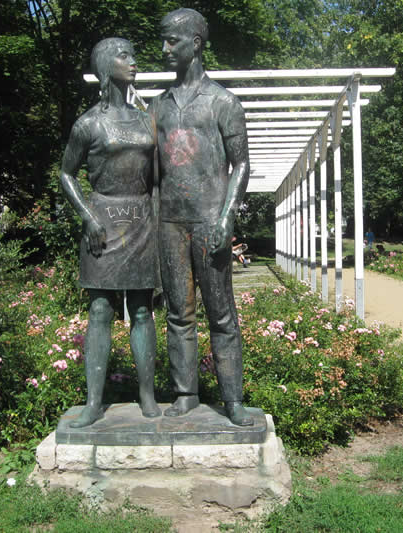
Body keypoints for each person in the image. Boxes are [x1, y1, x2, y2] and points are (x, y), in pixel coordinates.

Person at [150, 8, 253, 426]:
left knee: (222, 313)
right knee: (178, 312)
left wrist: (227, 217)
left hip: (210, 220)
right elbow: (152, 170)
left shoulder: (223, 102)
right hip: (170, 224)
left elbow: (242, 164)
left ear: (195, 43)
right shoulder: (156, 106)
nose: (163, 49)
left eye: (171, 41)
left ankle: (233, 399)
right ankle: (186, 393)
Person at [59, 38, 161, 428]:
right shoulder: (88, 123)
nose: (133, 62)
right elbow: (66, 173)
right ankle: (93, 402)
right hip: (102, 219)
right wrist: (86, 215)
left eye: (134, 54)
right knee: (100, 308)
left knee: (141, 307)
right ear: (105, 65)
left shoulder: (145, 119)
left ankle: (147, 395)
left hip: (140, 220)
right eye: (124, 56)